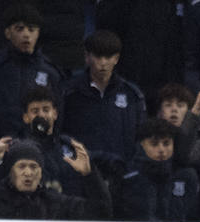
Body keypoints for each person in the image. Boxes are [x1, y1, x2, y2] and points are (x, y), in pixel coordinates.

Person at [61, 29, 145, 176]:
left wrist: (130, 168)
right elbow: (60, 134)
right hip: (80, 173)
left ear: (116, 59)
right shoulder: (69, 92)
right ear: (87, 57)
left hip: (121, 174)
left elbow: (141, 137)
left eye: (108, 57)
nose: (103, 63)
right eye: (98, 56)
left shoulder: (132, 95)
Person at [0, 3, 62, 139]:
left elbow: (58, 118)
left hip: (39, 146)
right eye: (20, 29)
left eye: (31, 29)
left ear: (38, 33)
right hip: (0, 144)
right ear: (8, 33)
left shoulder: (50, 73)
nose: (26, 35)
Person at [112, 118, 200, 222]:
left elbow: (193, 214)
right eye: (154, 144)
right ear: (142, 145)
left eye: (166, 143)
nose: (161, 149)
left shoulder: (186, 176)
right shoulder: (128, 178)